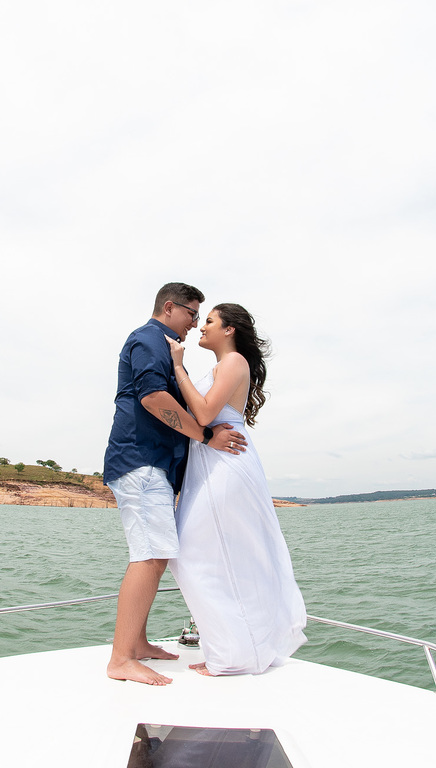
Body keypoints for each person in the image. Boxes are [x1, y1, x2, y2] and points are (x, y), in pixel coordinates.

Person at [103, 283, 248, 686]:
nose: (194, 324)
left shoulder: (160, 343)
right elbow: (152, 399)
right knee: (150, 555)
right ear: (170, 308)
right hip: (141, 460)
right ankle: (120, 659)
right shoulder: (149, 339)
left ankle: (138, 643)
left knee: (158, 553)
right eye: (192, 314)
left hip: (155, 465)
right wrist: (205, 437)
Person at [167, 303, 307, 676]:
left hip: (225, 467)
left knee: (192, 552)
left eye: (209, 321)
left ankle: (232, 654)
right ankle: (232, 648)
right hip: (209, 465)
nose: (201, 327)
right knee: (204, 554)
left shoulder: (234, 363)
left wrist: (178, 367)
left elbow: (205, 415)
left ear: (228, 330)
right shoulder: (220, 367)